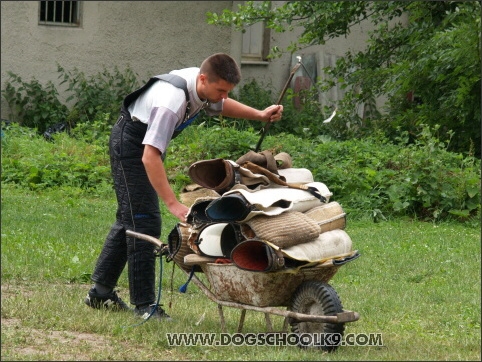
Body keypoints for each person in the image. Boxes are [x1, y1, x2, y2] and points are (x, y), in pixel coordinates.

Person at [84, 53, 283, 320]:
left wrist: (260, 115)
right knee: (145, 222)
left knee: (129, 218)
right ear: (203, 79)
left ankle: (100, 293)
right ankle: (144, 306)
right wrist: (172, 203)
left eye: (228, 91)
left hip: (142, 143)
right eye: (221, 90)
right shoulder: (172, 101)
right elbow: (149, 156)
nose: (223, 96)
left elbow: (221, 105)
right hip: (131, 146)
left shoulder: (203, 87)